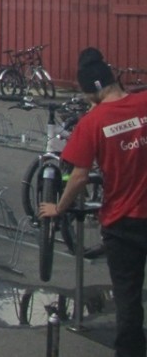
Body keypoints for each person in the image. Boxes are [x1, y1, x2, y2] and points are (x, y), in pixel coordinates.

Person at [40, 47, 147, 357]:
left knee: (127, 298)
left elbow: (78, 177)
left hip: (122, 223)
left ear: (94, 90)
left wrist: (58, 208)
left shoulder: (92, 122)